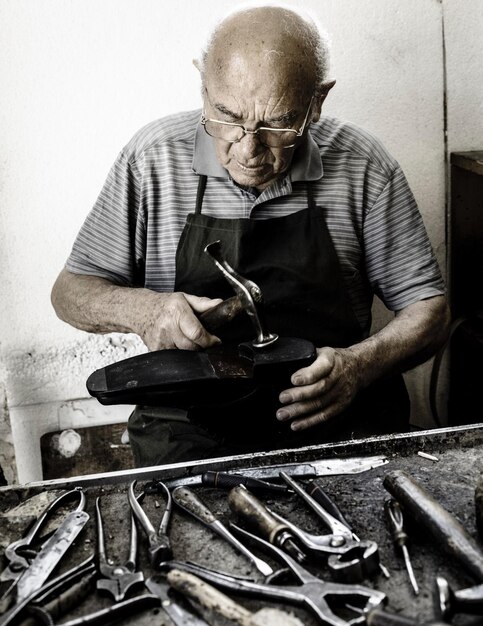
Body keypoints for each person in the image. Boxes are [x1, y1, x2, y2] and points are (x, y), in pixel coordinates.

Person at [51, 4, 451, 467]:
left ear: (317, 101)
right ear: (202, 84)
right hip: (188, 431)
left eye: (277, 123)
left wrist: (357, 367)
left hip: (337, 421)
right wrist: (144, 310)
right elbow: (69, 293)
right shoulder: (151, 160)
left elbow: (430, 311)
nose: (247, 148)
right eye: (227, 116)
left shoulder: (364, 166)